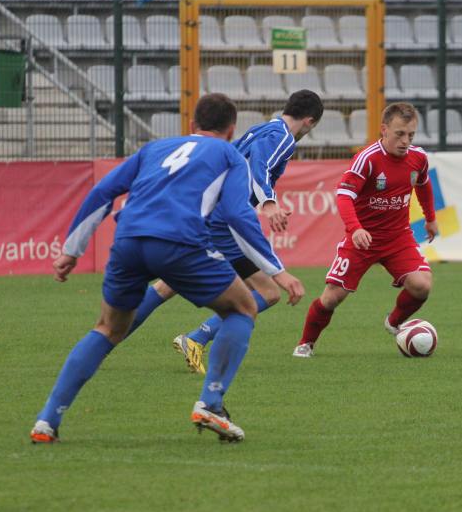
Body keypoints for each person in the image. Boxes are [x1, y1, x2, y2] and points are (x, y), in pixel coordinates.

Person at [30, 94, 288, 444]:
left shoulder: (154, 149)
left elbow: (103, 191)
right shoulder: (230, 155)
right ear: (231, 130)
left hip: (128, 242)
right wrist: (277, 270)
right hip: (181, 243)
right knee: (242, 307)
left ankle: (47, 420)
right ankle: (211, 402)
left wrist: (71, 250)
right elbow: (236, 215)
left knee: (107, 329)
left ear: (192, 125)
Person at [124, 90, 322, 373]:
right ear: (310, 121)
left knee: (168, 284)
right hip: (224, 222)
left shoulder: (262, 128)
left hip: (207, 214)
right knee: (268, 292)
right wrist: (268, 203)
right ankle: (197, 338)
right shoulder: (284, 138)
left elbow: (236, 164)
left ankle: (108, 336)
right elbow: (259, 168)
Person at [293, 102, 438, 358]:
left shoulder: (418, 158)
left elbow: (424, 185)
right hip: (362, 239)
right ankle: (306, 343)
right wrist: (356, 228)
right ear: (384, 129)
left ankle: (394, 322)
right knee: (332, 297)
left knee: (422, 285)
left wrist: (430, 218)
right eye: (400, 134)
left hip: (398, 237)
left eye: (411, 135)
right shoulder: (368, 159)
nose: (406, 141)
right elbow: (344, 195)